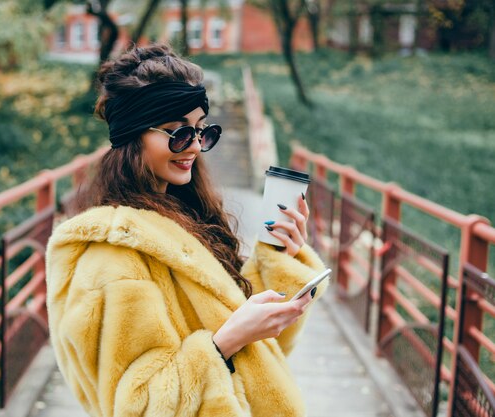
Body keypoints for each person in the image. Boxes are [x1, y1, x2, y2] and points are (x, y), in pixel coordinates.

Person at [45, 43, 328, 417]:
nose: (193, 146)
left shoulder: (186, 215)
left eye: (200, 132)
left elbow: (260, 362)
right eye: (177, 133)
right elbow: (137, 406)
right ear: (133, 135)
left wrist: (279, 257)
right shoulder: (112, 257)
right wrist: (226, 342)